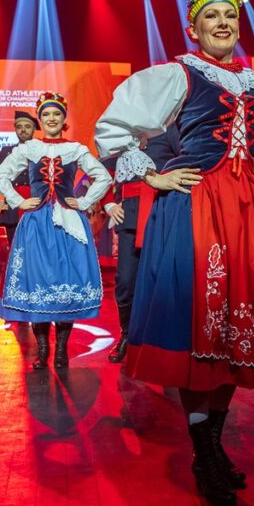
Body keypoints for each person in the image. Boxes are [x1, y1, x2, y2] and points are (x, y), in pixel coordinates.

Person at [95, 0, 254, 506]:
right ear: (194, 27)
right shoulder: (177, 74)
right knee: (201, 327)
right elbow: (113, 126)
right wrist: (151, 176)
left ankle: (214, 446)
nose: (223, 24)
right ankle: (203, 452)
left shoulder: (253, 83)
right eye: (212, 16)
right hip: (197, 207)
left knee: (235, 337)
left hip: (247, 211)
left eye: (230, 16)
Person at [0, 92, 111, 370]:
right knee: (38, 284)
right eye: (46, 114)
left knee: (64, 285)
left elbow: (103, 177)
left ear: (63, 118)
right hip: (36, 223)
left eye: (56, 114)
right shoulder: (28, 149)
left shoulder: (76, 149)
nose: (51, 119)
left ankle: (62, 351)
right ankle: (43, 349)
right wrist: (19, 201)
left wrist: (83, 201)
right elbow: (0, 175)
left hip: (68, 223)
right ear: (40, 120)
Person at [102, 126, 182, 363]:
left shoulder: (170, 131)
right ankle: (127, 335)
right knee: (125, 282)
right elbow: (100, 171)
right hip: (130, 214)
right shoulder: (122, 132)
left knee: (162, 282)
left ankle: (161, 341)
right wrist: (109, 204)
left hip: (162, 214)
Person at [0, 111, 39, 246]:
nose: (23, 130)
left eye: (27, 126)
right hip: (13, 204)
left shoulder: (42, 150)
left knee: (36, 248)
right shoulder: (7, 151)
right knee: (15, 247)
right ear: (15, 129)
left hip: (36, 201)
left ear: (34, 129)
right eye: (19, 127)